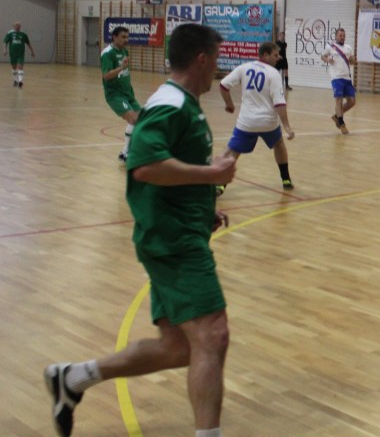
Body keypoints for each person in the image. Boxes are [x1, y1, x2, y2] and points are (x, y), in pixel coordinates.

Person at [44, 23, 237, 437]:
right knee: (213, 334)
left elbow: (169, 168)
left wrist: (203, 206)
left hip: (177, 231)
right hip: (173, 241)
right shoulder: (171, 104)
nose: (217, 70)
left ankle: (73, 378)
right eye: (216, 61)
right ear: (202, 60)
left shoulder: (182, 103)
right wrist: (211, 175)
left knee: (178, 347)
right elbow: (145, 166)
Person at [217, 41, 296, 194]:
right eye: (275, 55)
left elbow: (223, 85)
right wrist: (287, 126)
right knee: (279, 144)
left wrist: (229, 104)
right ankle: (286, 179)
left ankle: (220, 185)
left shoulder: (244, 67)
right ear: (265, 55)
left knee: (234, 151)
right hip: (268, 122)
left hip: (247, 122)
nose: (278, 58)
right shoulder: (273, 73)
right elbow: (279, 103)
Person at [101, 26, 142, 162]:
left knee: (141, 119)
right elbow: (106, 75)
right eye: (123, 37)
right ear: (114, 37)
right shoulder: (107, 53)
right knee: (133, 119)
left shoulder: (124, 51)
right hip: (115, 95)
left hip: (128, 93)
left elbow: (125, 73)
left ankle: (126, 152)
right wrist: (121, 68)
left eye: (127, 37)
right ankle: (127, 152)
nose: (126, 40)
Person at [320, 27, 355, 134]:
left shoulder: (348, 48)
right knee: (338, 100)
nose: (342, 37)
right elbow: (322, 56)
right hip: (336, 78)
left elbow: (352, 62)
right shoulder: (330, 47)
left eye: (344, 36)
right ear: (336, 36)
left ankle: (336, 116)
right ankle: (341, 123)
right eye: (340, 35)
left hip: (347, 78)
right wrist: (328, 59)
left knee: (352, 101)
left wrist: (353, 59)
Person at [3, 21, 35, 88]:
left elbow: (28, 43)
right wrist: (4, 50)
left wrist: (32, 51)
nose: (18, 27)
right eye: (17, 26)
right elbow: (5, 42)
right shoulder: (9, 33)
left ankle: (20, 81)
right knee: (14, 68)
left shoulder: (23, 34)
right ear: (14, 26)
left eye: (19, 26)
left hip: (20, 54)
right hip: (12, 54)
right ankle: (16, 80)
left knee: (20, 67)